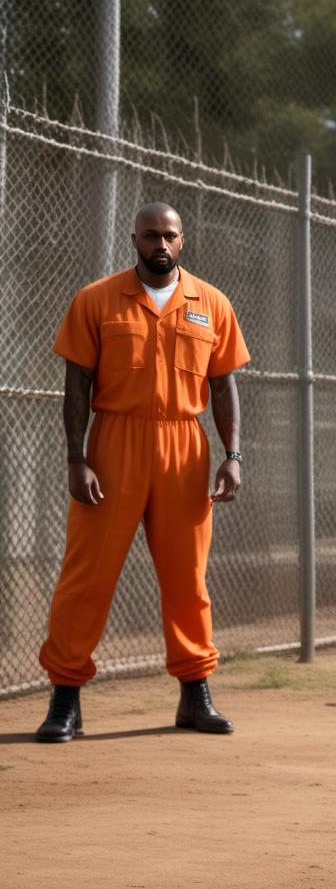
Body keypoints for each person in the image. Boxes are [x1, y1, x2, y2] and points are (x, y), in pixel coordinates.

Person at [35, 203, 250, 742]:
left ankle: (195, 695)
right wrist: (75, 457)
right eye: (151, 233)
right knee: (87, 577)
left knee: (188, 580)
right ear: (134, 237)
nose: (161, 242)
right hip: (113, 444)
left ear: (183, 240)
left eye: (170, 235)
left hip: (184, 446)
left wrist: (233, 454)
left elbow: (223, 384)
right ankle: (65, 700)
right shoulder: (96, 300)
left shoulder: (212, 304)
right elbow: (77, 384)